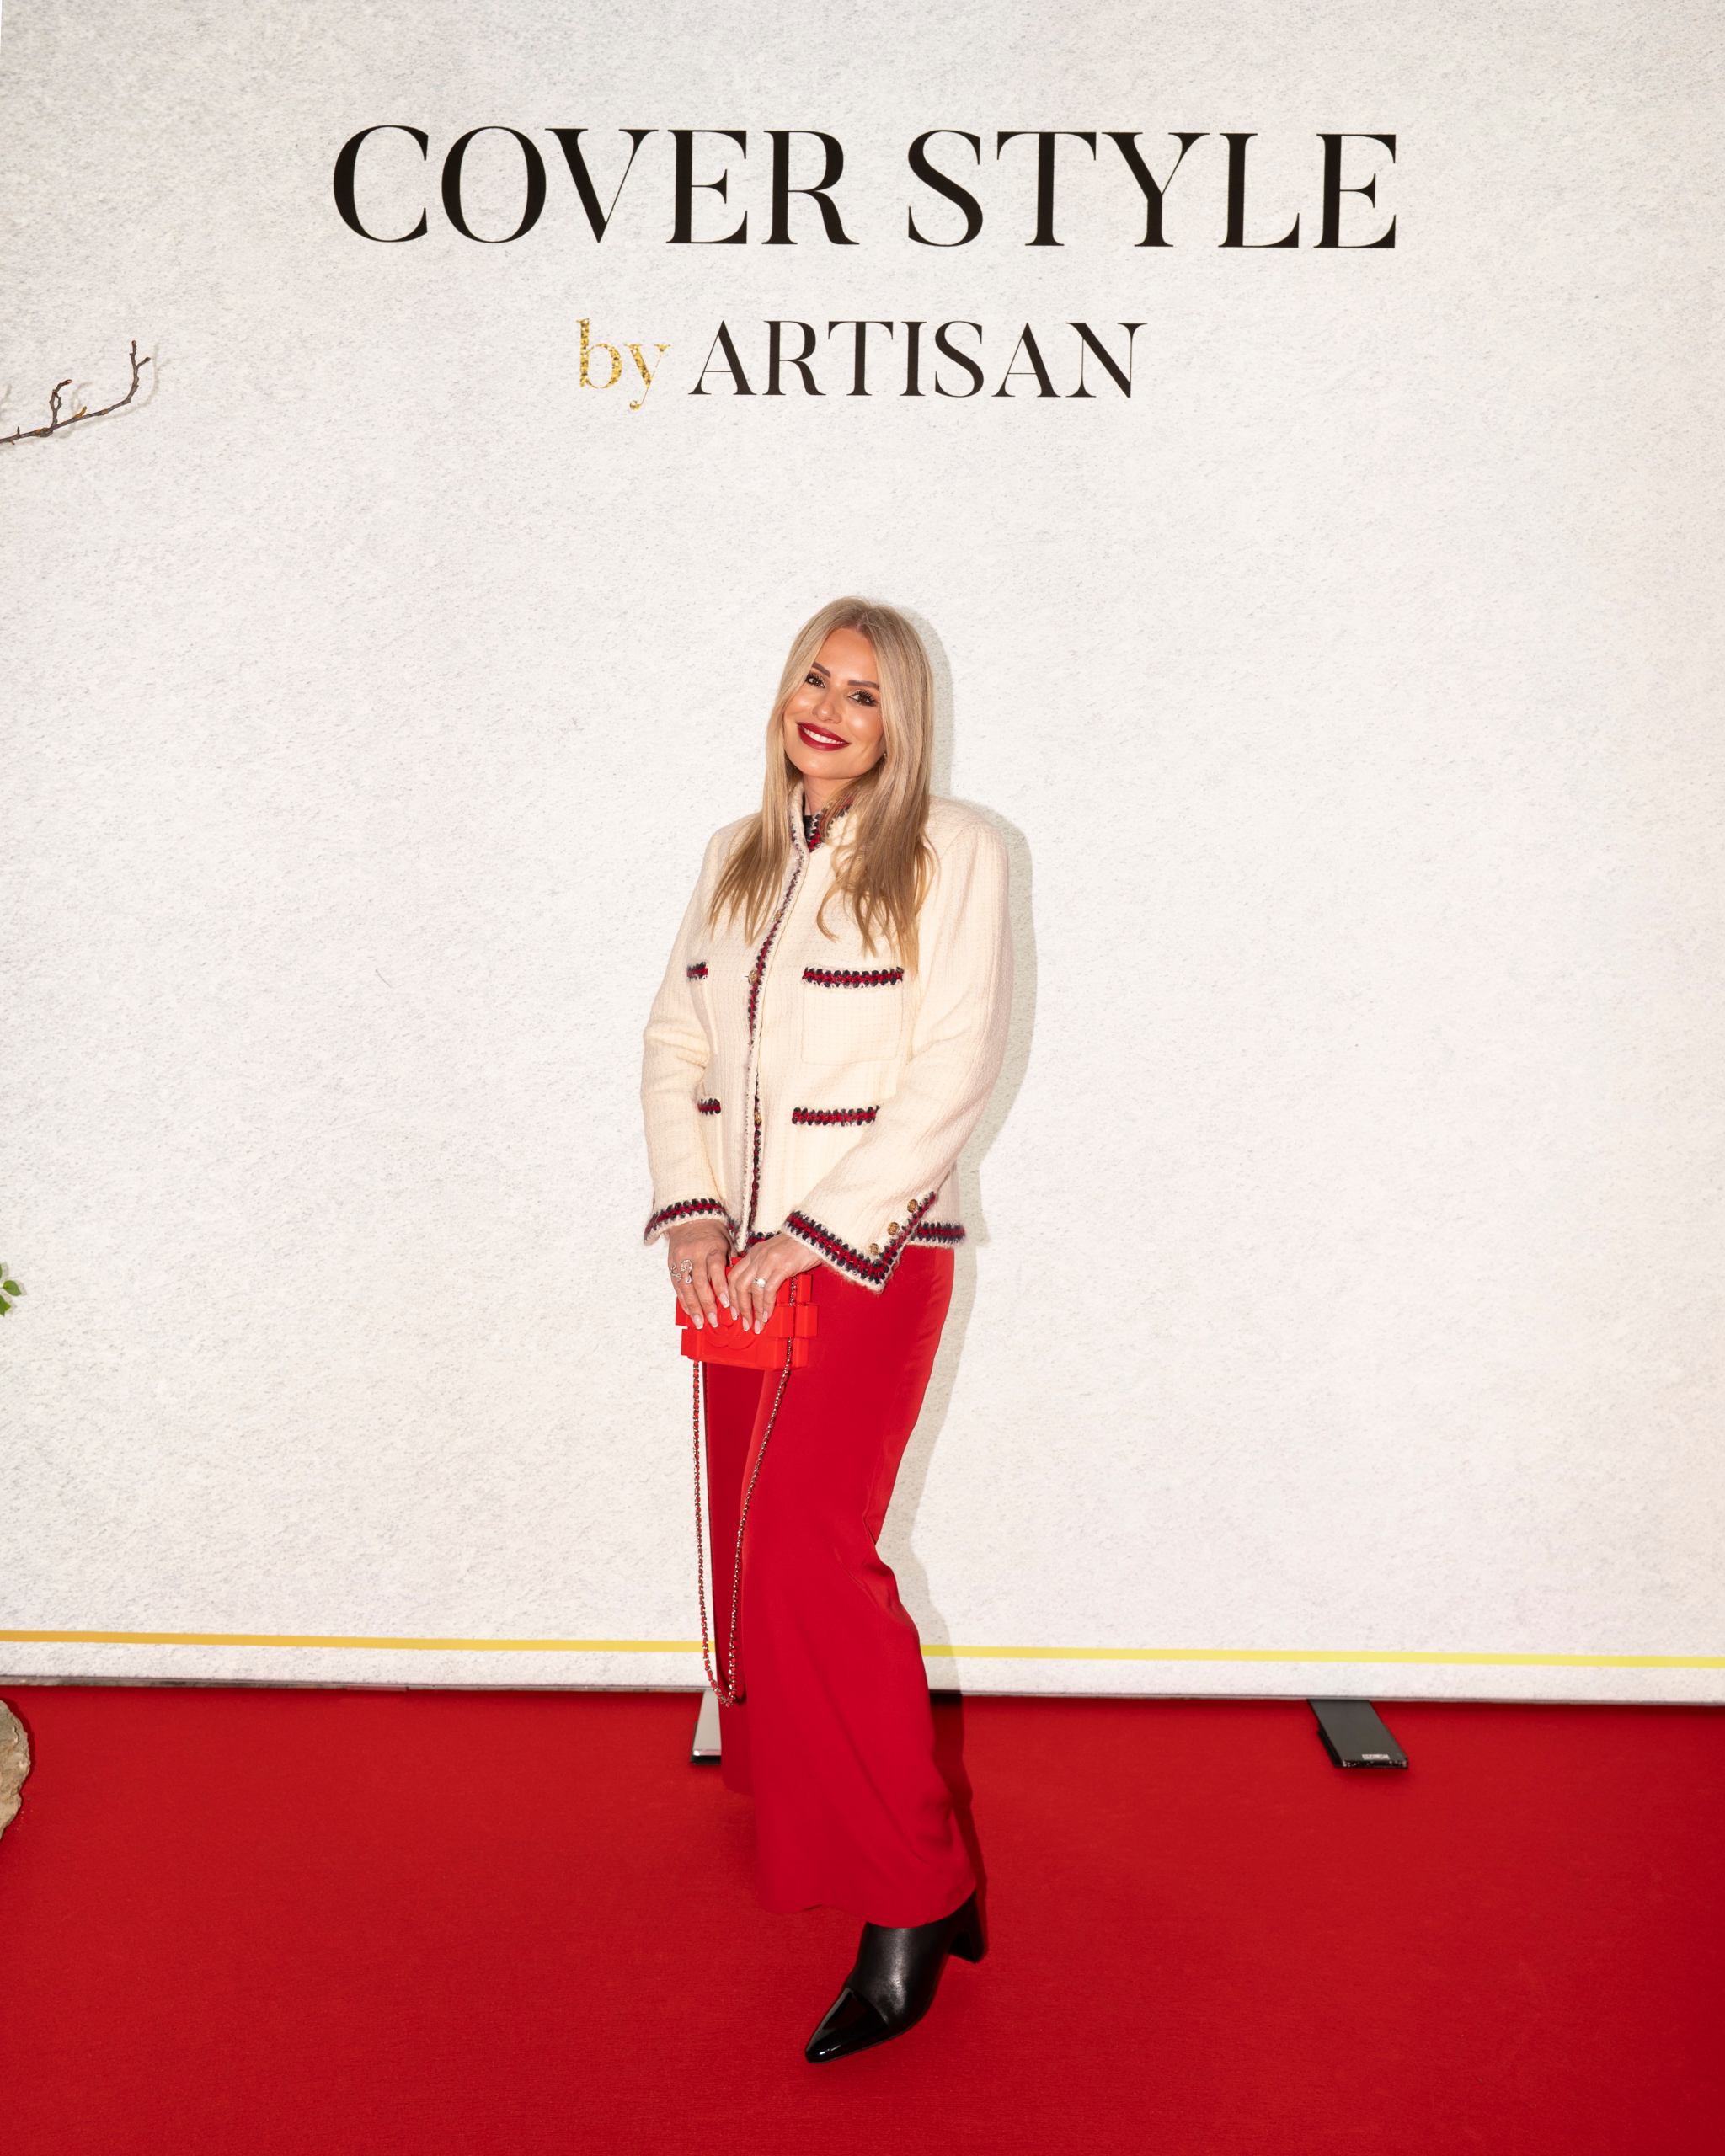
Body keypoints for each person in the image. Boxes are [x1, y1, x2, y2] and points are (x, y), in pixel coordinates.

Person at [639, 595, 1013, 2063]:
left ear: (901, 725)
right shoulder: (734, 856)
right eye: (816, 677)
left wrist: (811, 1231)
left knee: (811, 1559)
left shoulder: (956, 852)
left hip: (867, 1262)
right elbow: (675, 1042)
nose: (830, 709)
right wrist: (693, 1219)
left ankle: (915, 1892)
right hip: (734, 1270)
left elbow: (951, 1071)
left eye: (865, 693)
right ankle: (843, 1834)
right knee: (754, 1563)